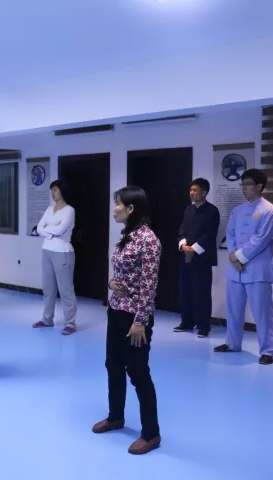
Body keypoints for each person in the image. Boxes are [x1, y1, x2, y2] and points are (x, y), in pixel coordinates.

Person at [92, 186, 161, 455]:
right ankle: (116, 416)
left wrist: (141, 320)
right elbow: (120, 272)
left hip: (135, 318)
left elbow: (149, 284)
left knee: (138, 372)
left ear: (131, 208)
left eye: (118, 204)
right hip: (116, 310)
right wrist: (111, 283)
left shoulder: (149, 240)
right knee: (113, 365)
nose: (114, 209)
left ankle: (151, 434)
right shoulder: (126, 235)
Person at [214, 168, 273, 365]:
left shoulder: (269, 211)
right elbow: (230, 234)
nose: (244, 188)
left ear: (259, 186)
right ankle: (232, 343)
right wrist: (234, 257)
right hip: (236, 269)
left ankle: (267, 351)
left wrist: (239, 257)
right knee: (233, 309)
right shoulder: (237, 210)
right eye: (242, 185)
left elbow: (260, 240)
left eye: (247, 184)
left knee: (262, 313)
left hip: (257, 269)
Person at [174, 178, 220, 338]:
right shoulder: (188, 210)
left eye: (195, 190)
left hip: (202, 258)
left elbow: (210, 235)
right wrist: (183, 245)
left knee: (202, 292)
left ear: (204, 192)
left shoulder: (212, 211)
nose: (191, 193)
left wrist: (194, 249)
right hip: (186, 256)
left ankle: (203, 326)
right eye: (191, 190)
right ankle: (186, 322)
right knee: (185, 290)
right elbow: (182, 230)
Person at [32, 179, 78, 335]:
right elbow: (38, 228)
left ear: (62, 191)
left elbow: (60, 230)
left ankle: (70, 323)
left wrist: (48, 230)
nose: (53, 193)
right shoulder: (49, 209)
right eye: (52, 190)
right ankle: (47, 319)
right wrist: (51, 231)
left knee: (66, 290)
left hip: (63, 252)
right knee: (48, 289)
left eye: (56, 190)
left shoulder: (69, 210)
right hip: (46, 250)